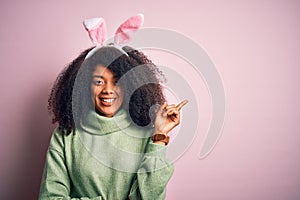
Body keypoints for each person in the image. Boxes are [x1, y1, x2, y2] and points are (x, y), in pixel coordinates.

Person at [39, 15, 188, 200]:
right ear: (84, 84)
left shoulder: (147, 134)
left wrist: (159, 137)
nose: (108, 90)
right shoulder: (66, 135)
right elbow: (50, 197)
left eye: (117, 82)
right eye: (99, 81)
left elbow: (149, 197)